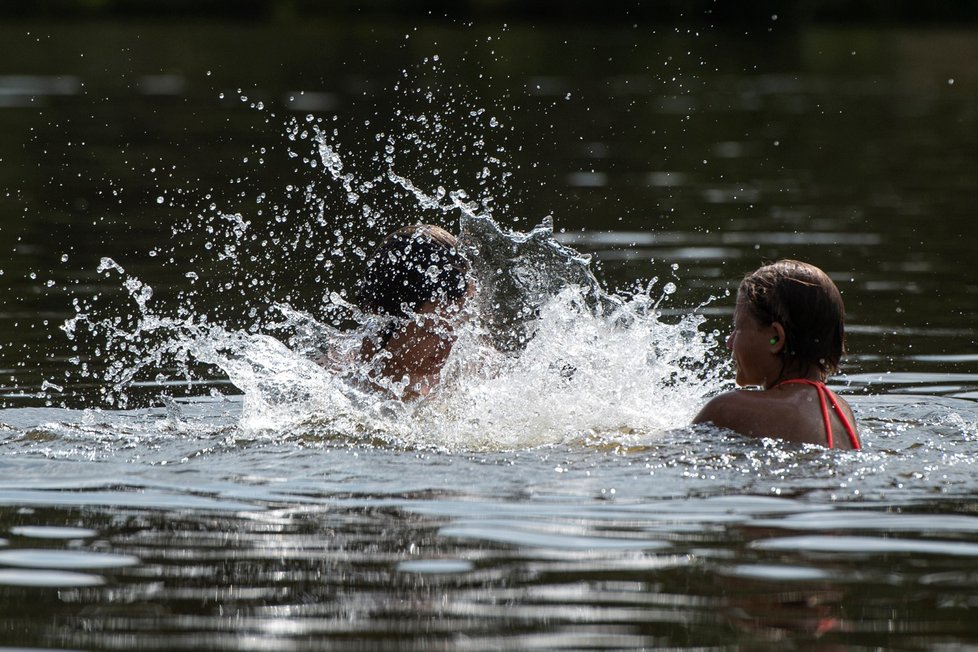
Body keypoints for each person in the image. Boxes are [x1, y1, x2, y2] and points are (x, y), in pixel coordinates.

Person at [693, 259, 861, 449]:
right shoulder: (843, 411)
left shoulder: (727, 409)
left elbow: (668, 454)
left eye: (738, 329)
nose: (729, 343)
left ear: (775, 338)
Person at [356, 224, 473, 400]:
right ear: (384, 317)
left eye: (459, 325)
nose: (451, 343)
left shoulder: (471, 378)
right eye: (434, 330)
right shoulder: (334, 389)